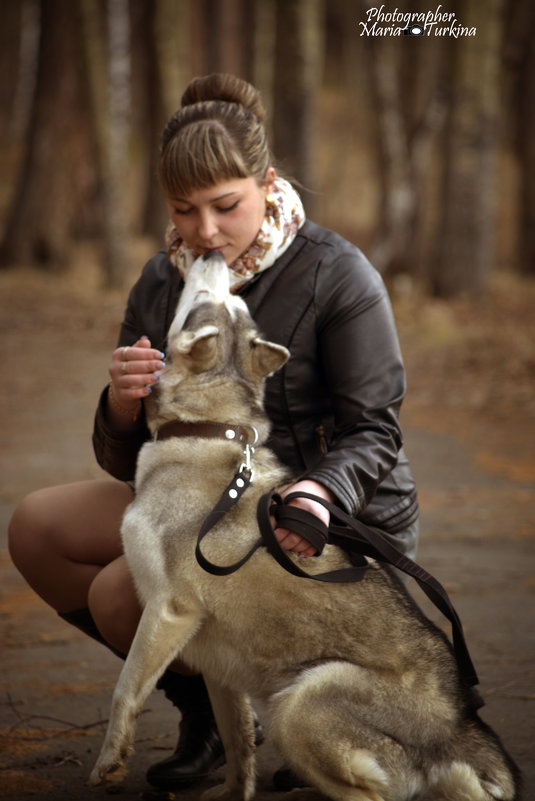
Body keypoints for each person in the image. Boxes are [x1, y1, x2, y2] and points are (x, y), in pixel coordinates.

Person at [8, 73, 419, 792]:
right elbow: (132, 464)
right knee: (38, 527)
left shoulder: (337, 275)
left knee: (120, 594)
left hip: (322, 515)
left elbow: (375, 431)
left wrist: (321, 491)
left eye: (225, 206)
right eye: (183, 209)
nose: (203, 231)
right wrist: (122, 407)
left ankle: (319, 714)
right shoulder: (161, 281)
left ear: (265, 182)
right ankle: (212, 720)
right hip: (209, 497)